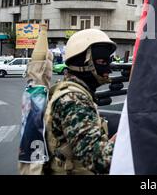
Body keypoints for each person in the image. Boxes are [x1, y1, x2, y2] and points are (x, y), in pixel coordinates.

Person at [44, 29, 117, 174]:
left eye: (108, 61)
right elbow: (97, 158)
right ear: (82, 63)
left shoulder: (72, 91)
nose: (108, 68)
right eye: (102, 61)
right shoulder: (74, 100)